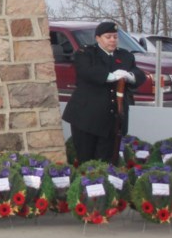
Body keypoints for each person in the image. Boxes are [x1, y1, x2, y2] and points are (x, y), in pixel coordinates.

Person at [62, 21, 146, 164]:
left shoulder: (125, 56)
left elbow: (138, 73)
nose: (112, 40)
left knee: (107, 160)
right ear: (98, 38)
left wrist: (128, 76)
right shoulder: (86, 53)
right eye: (108, 37)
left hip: (112, 120)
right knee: (86, 159)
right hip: (86, 117)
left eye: (115, 37)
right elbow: (87, 72)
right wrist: (112, 76)